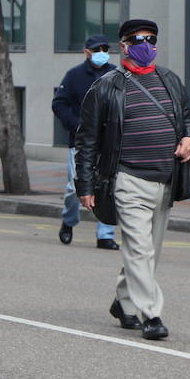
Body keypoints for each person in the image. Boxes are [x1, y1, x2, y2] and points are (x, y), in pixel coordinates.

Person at [76, 19, 190, 342]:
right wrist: (85, 186)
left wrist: (189, 138)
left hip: (165, 180)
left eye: (150, 39)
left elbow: (187, 118)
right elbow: (86, 141)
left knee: (148, 252)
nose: (145, 44)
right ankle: (152, 315)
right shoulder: (105, 87)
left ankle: (123, 301)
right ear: (124, 46)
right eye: (137, 39)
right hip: (127, 180)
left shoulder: (170, 80)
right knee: (139, 250)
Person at [52, 34, 119, 250]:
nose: (101, 52)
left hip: (108, 143)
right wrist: (77, 126)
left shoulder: (116, 74)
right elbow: (59, 104)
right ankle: (69, 221)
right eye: (96, 49)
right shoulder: (74, 76)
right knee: (74, 187)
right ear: (86, 52)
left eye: (105, 48)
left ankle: (105, 235)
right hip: (80, 143)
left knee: (108, 187)